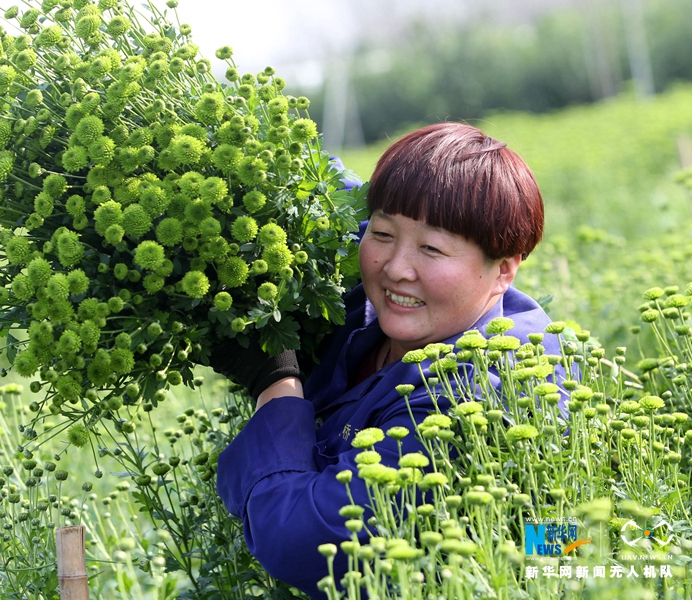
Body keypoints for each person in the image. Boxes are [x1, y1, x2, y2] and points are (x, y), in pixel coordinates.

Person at [213, 122, 561, 598]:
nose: (396, 268)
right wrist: (232, 134)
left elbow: (303, 539)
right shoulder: (408, 296)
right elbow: (325, 182)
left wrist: (276, 384)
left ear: (503, 269)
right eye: (381, 233)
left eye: (431, 248)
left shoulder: (475, 399)